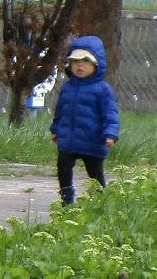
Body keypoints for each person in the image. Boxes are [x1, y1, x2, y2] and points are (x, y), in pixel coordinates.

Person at [49, 36, 119, 205]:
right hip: (69, 139)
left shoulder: (102, 90)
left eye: (85, 61)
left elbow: (110, 115)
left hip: (92, 140)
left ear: (96, 64)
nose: (80, 66)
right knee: (63, 165)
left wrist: (110, 134)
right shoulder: (67, 88)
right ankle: (66, 197)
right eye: (75, 61)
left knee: (94, 172)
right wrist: (56, 129)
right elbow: (60, 111)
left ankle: (100, 199)